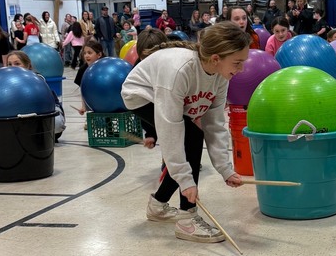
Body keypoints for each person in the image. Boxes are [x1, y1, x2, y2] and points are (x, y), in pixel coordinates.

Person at [121, 22, 250, 244]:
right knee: (190, 137)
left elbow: (215, 123)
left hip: (170, 97)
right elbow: (170, 129)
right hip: (142, 94)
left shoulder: (220, 75)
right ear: (216, 58)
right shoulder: (180, 70)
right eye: (237, 63)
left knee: (193, 136)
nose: (241, 69)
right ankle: (187, 218)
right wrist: (186, 180)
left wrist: (225, 169)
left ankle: (158, 205)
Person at [5, 51, 65, 140]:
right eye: (9, 64)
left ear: (28, 66)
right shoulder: (6, 83)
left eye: (17, 64)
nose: (13, 67)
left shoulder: (37, 79)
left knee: (56, 126)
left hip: (46, 110)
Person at [74, 39, 104, 113]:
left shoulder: (104, 68)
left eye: (90, 53)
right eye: (85, 53)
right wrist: (83, 107)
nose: (86, 55)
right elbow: (83, 90)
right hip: (92, 104)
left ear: (99, 55)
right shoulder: (82, 70)